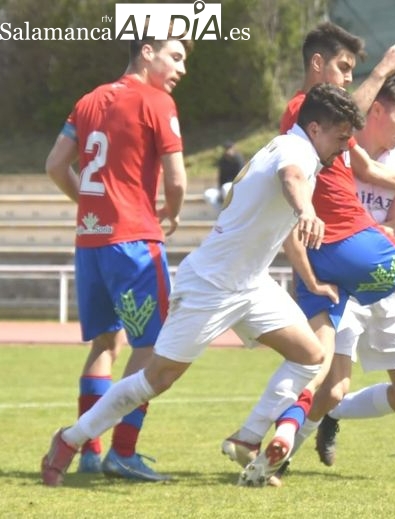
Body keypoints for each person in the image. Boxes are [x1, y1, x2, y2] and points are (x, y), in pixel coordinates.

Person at [40, 82, 365, 487]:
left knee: (311, 355)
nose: (344, 148)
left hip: (250, 285)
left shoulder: (294, 148)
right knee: (155, 380)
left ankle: (247, 438)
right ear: (315, 128)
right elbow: (291, 177)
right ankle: (69, 439)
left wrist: (311, 276)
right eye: (340, 138)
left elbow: (280, 228)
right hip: (210, 285)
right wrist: (307, 210)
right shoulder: (294, 152)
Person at [222, 22, 395, 487]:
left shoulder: (336, 135)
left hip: (321, 256)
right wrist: (385, 66)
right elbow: (342, 127)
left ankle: (259, 441)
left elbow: (364, 167)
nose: (349, 77)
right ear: (317, 64)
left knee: (318, 362)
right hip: (347, 240)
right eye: (344, 67)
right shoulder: (304, 114)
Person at [43, 35, 191, 481]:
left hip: (90, 243)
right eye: (176, 56)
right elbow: (178, 180)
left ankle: (89, 449)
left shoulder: (87, 100)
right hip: (133, 241)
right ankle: (122, 452)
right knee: (151, 347)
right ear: (147, 52)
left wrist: (90, 206)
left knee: (104, 344)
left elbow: (54, 165)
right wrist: (174, 213)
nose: (182, 68)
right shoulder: (157, 100)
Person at [204, 141, 245, 211]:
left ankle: (231, 212)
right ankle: (221, 214)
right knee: (208, 194)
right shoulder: (222, 161)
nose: (228, 151)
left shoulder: (238, 160)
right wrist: (220, 191)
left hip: (236, 188)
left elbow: (241, 177)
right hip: (223, 189)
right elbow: (221, 178)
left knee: (226, 187)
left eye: (230, 148)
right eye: (226, 149)